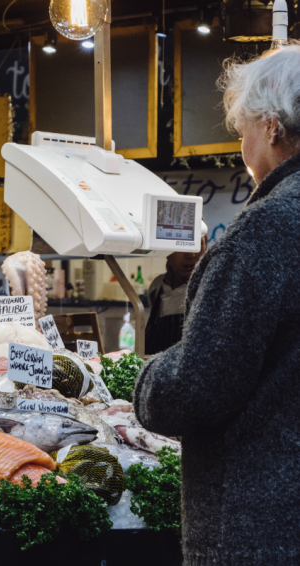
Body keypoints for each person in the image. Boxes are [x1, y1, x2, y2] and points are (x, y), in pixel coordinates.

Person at [134, 45, 300, 564]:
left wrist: (145, 379)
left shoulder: (263, 231)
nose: (241, 144)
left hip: (263, 526)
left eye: (243, 129)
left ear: (271, 127)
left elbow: (200, 386)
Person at [144, 236, 207, 355]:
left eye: (197, 243)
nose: (191, 254)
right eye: (181, 245)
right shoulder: (156, 287)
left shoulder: (211, 287)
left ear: (206, 243)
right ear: (166, 251)